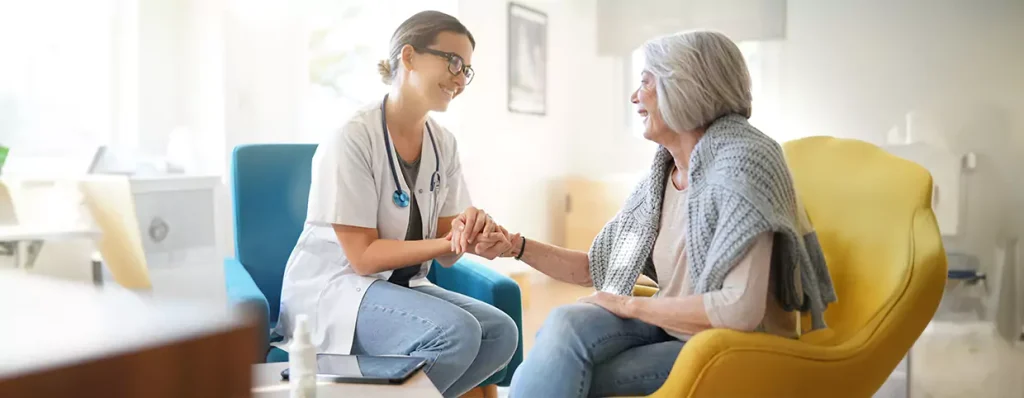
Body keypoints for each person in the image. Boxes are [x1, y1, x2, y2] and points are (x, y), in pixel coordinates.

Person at [496, 30, 838, 397]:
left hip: (736, 345)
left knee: (559, 370)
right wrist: (514, 246)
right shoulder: (661, 180)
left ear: (686, 87)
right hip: (673, 327)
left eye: (645, 82)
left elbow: (739, 310)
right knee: (564, 323)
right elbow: (597, 269)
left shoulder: (743, 167)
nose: (633, 97)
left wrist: (630, 306)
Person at [272, 11, 519, 398]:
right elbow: (364, 257)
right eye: (453, 62)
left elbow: (449, 238)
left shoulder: (443, 143)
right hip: (340, 290)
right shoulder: (353, 137)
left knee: (501, 333)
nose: (460, 78)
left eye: (467, 70)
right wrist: (450, 243)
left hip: (401, 287)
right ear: (409, 57)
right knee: (457, 334)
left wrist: (474, 235)